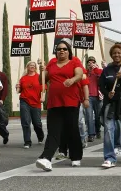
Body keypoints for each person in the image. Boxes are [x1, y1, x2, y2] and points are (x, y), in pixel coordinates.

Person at [35, 38, 86, 171]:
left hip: (71, 101)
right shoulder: (52, 63)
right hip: (54, 103)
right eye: (59, 49)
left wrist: (72, 79)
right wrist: (42, 71)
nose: (61, 51)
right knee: (53, 131)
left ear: (69, 51)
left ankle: (76, 156)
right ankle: (46, 158)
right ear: (56, 52)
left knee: (72, 129)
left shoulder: (74, 61)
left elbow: (80, 74)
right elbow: (42, 80)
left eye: (64, 49)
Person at [16, 61, 45, 149]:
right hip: (24, 101)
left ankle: (40, 135)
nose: (32, 67)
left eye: (33, 65)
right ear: (27, 67)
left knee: (37, 123)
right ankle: (27, 141)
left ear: (35, 67)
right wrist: (17, 86)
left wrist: (43, 97)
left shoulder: (40, 77)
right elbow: (18, 91)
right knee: (25, 122)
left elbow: (43, 89)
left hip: (36, 102)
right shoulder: (23, 78)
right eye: (30, 65)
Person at [85, 56, 103, 141]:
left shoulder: (98, 71)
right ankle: (91, 134)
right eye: (89, 62)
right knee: (89, 116)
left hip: (98, 97)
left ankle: (98, 130)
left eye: (92, 62)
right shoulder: (85, 73)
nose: (90, 63)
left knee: (98, 116)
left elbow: (102, 76)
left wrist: (95, 69)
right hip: (88, 97)